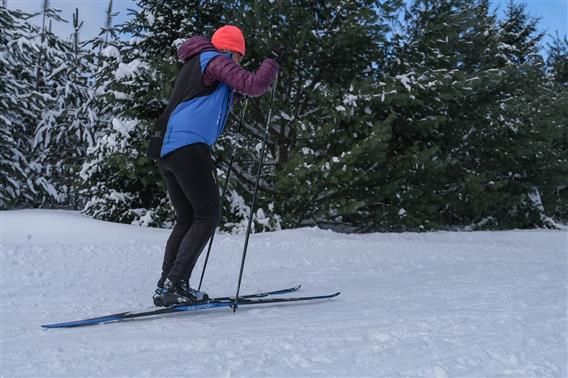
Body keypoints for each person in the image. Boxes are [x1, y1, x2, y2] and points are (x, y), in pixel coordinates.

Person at [151, 25, 279, 307]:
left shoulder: (196, 65)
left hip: (166, 148)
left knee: (187, 218)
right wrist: (272, 64)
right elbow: (255, 84)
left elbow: (218, 93)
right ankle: (174, 284)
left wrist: (235, 94)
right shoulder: (214, 59)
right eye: (240, 59)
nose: (239, 65)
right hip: (188, 146)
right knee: (207, 215)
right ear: (231, 50)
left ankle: (167, 285)